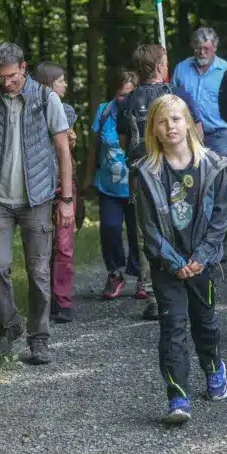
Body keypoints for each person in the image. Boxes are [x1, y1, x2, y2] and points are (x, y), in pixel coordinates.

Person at [0, 42, 74, 365]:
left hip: (37, 199)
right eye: (1, 77)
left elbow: (63, 150)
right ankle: (8, 326)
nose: (7, 82)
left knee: (39, 272)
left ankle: (39, 339)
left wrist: (66, 199)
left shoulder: (46, 98)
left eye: (12, 76)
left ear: (23, 68)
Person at [131, 94, 227, 423]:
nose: (170, 126)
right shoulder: (146, 172)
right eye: (162, 121)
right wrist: (175, 263)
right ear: (154, 129)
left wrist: (202, 256)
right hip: (167, 265)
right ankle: (178, 397)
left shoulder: (213, 165)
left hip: (202, 262)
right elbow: (148, 227)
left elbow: (221, 218)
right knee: (173, 326)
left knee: (205, 322)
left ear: (188, 123)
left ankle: (213, 368)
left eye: (176, 119)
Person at [118, 44, 203, 320]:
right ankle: (187, 282)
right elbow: (197, 133)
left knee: (148, 231)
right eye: (165, 62)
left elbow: (124, 140)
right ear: (158, 67)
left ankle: (154, 295)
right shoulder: (177, 96)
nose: (168, 66)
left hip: (142, 176)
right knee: (183, 223)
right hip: (177, 172)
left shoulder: (128, 102)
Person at [87, 70, 141, 300]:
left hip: (136, 185)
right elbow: (93, 147)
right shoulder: (104, 111)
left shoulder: (142, 111)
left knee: (137, 231)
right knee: (110, 228)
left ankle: (141, 275)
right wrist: (88, 177)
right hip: (108, 185)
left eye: (129, 94)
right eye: (121, 94)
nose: (124, 99)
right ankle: (115, 272)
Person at [34, 62, 79, 324]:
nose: (65, 84)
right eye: (61, 80)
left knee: (63, 246)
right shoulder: (30, 112)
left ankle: (63, 300)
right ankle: (44, 300)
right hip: (38, 187)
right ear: (49, 83)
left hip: (63, 186)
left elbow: (65, 151)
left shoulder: (67, 111)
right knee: (42, 247)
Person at [171, 27, 227, 156]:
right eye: (198, 48)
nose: (202, 52)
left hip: (218, 135)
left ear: (215, 48)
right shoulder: (181, 68)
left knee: (220, 168)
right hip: (187, 134)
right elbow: (171, 100)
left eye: (206, 49)